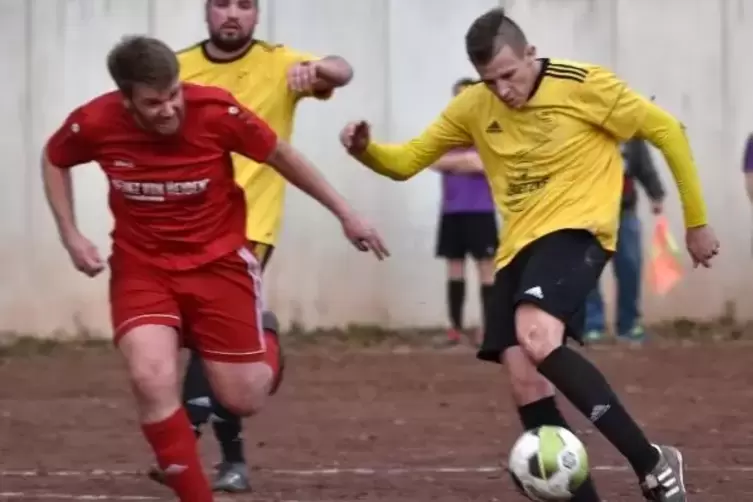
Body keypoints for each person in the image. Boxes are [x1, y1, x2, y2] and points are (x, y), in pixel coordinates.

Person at [339, 8, 718, 502]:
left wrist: (696, 221)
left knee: (537, 335)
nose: (502, 90)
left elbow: (668, 131)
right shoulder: (474, 105)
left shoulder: (584, 85)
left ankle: (651, 461)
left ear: (531, 54)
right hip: (518, 246)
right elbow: (407, 161)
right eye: (489, 81)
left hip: (578, 232)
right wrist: (367, 150)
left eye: (509, 75)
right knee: (524, 381)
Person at [42, 35, 386, 502]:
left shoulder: (216, 112)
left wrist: (347, 213)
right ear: (126, 100)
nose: (168, 109)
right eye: (153, 102)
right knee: (151, 376)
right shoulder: (95, 122)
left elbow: (281, 155)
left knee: (244, 398)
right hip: (143, 268)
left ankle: (263, 334)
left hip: (220, 264)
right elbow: (55, 157)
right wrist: (71, 234)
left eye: (173, 95)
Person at [161, 0, 354, 491]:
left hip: (250, 225)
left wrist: (318, 69)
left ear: (258, 14)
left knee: (208, 334)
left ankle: (187, 436)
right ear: (206, 11)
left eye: (244, 5)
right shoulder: (177, 69)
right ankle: (236, 454)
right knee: (209, 344)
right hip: (184, 224)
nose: (232, 14)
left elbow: (342, 70)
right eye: (221, 4)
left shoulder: (279, 62)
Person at [432, 78, 497, 346]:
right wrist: (464, 161)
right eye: (459, 96)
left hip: (482, 210)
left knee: (487, 270)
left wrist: (456, 163)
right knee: (454, 268)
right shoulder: (446, 130)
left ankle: (489, 329)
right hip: (452, 211)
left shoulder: (491, 129)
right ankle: (455, 329)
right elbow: (430, 159)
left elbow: (491, 163)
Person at [583, 138, 666, 343]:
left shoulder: (630, 132)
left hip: (624, 211)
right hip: (587, 214)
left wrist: (656, 194)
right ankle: (592, 325)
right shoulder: (582, 128)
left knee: (630, 267)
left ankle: (628, 325)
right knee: (586, 270)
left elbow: (643, 165)